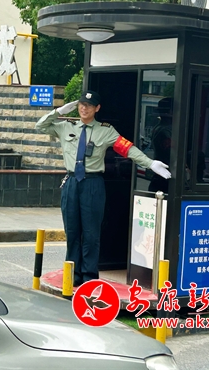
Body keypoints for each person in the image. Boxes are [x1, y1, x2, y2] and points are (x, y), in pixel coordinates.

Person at [36, 90, 171, 286]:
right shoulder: (66, 126)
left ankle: (89, 276)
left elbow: (127, 148)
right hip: (71, 182)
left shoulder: (105, 131)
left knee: (91, 233)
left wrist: (150, 163)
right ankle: (72, 274)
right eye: (82, 104)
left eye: (89, 106)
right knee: (72, 232)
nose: (84, 108)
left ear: (97, 108)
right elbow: (40, 126)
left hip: (92, 184)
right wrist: (59, 111)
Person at [149, 97, 173, 193]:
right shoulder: (165, 130)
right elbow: (171, 152)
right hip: (165, 176)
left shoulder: (158, 127)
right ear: (170, 112)